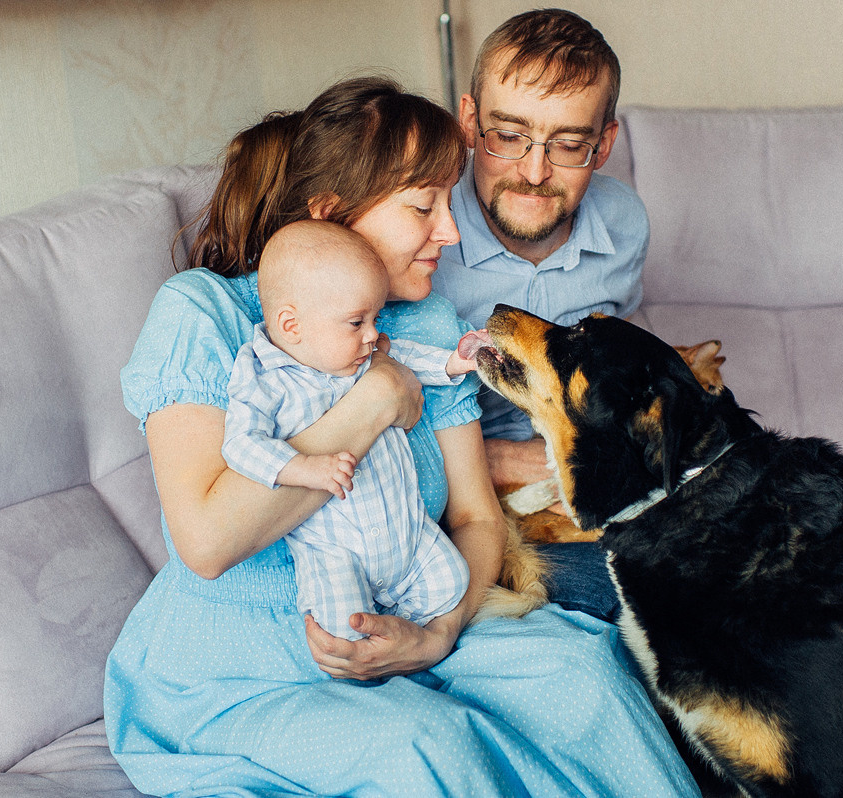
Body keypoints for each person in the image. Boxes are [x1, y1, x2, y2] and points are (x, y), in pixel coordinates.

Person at [104, 76, 700, 797]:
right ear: (336, 214)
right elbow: (205, 541)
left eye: (448, 203)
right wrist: (373, 403)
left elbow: (477, 519)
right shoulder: (205, 314)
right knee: (425, 744)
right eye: (424, 207)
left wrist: (440, 631)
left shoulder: (426, 326)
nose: (448, 232)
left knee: (582, 677)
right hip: (238, 664)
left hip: (409, 615)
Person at [223, 219, 486, 640]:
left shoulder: (363, 356)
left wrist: (454, 363)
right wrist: (300, 468)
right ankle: (370, 648)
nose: (372, 335)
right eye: (356, 322)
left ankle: (405, 630)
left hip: (406, 536)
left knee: (452, 582)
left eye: (375, 318)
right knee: (345, 626)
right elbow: (241, 444)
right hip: (336, 552)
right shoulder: (264, 377)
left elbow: (411, 360)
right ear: (292, 326)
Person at [431, 8, 647, 483]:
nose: (533, 174)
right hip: (456, 489)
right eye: (508, 137)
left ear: (605, 143)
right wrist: (503, 460)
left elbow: (622, 342)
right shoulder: (421, 239)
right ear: (469, 121)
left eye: (569, 145)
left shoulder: (625, 223)